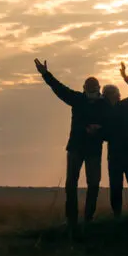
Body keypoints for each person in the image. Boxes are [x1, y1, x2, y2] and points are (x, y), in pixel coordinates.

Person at [34, 58, 107, 227]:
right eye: (89, 90)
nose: (91, 93)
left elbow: (110, 124)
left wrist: (99, 130)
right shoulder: (79, 99)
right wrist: (45, 74)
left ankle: (87, 218)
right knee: (72, 184)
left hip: (90, 150)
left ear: (98, 89)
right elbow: (59, 89)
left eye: (93, 90)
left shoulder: (100, 104)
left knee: (92, 184)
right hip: (77, 148)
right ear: (85, 89)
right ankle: (73, 220)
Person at [102, 62, 128, 219]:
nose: (111, 96)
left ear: (118, 95)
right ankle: (118, 216)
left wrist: (126, 78)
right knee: (116, 185)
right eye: (108, 94)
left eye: (113, 93)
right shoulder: (105, 112)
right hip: (117, 152)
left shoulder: (125, 105)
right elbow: (104, 134)